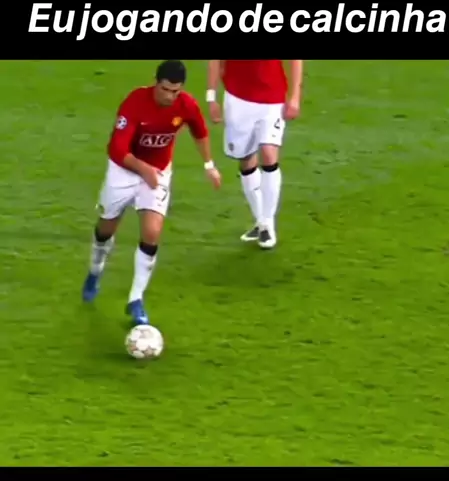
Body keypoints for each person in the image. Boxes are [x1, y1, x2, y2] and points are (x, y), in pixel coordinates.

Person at [82, 59, 221, 326]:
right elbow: (117, 149)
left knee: (152, 232)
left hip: (157, 172)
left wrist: (209, 165)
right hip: (124, 170)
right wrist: (142, 168)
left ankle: (136, 299)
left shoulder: (186, 105)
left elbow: (199, 131)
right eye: (165, 89)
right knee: (106, 229)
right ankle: (95, 272)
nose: (169, 96)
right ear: (155, 83)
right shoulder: (135, 102)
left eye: (175, 91)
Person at [206, 60, 303, 249]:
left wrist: (295, 96)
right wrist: (211, 97)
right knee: (246, 159)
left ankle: (267, 223)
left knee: (269, 153)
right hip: (237, 99)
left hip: (272, 98)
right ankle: (261, 221)